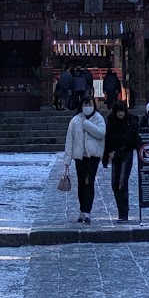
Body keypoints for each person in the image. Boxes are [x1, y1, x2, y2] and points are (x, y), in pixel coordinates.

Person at [63, 95, 106, 223]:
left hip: (92, 157)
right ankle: (82, 209)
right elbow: (69, 140)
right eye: (85, 104)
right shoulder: (75, 120)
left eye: (90, 104)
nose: (88, 107)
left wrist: (87, 124)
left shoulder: (98, 118)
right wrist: (67, 161)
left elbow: (101, 133)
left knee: (89, 181)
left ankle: (87, 210)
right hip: (80, 157)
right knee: (82, 183)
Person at [102, 99, 139, 221]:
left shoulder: (131, 120)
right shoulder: (111, 121)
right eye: (118, 111)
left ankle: (123, 213)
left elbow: (134, 137)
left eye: (122, 111)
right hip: (115, 154)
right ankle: (122, 210)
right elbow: (107, 140)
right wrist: (106, 156)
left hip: (126, 154)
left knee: (122, 183)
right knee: (115, 184)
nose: (120, 114)